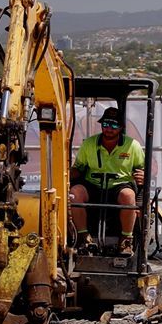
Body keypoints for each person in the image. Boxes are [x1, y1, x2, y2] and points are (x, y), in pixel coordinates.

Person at [69, 106, 147, 253]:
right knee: (75, 193)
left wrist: (143, 175)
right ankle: (83, 236)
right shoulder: (89, 144)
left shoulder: (133, 146)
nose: (109, 129)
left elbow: (145, 169)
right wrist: (67, 174)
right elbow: (78, 168)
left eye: (114, 125)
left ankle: (126, 240)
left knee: (128, 195)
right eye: (105, 124)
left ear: (121, 127)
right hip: (93, 185)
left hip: (119, 185)